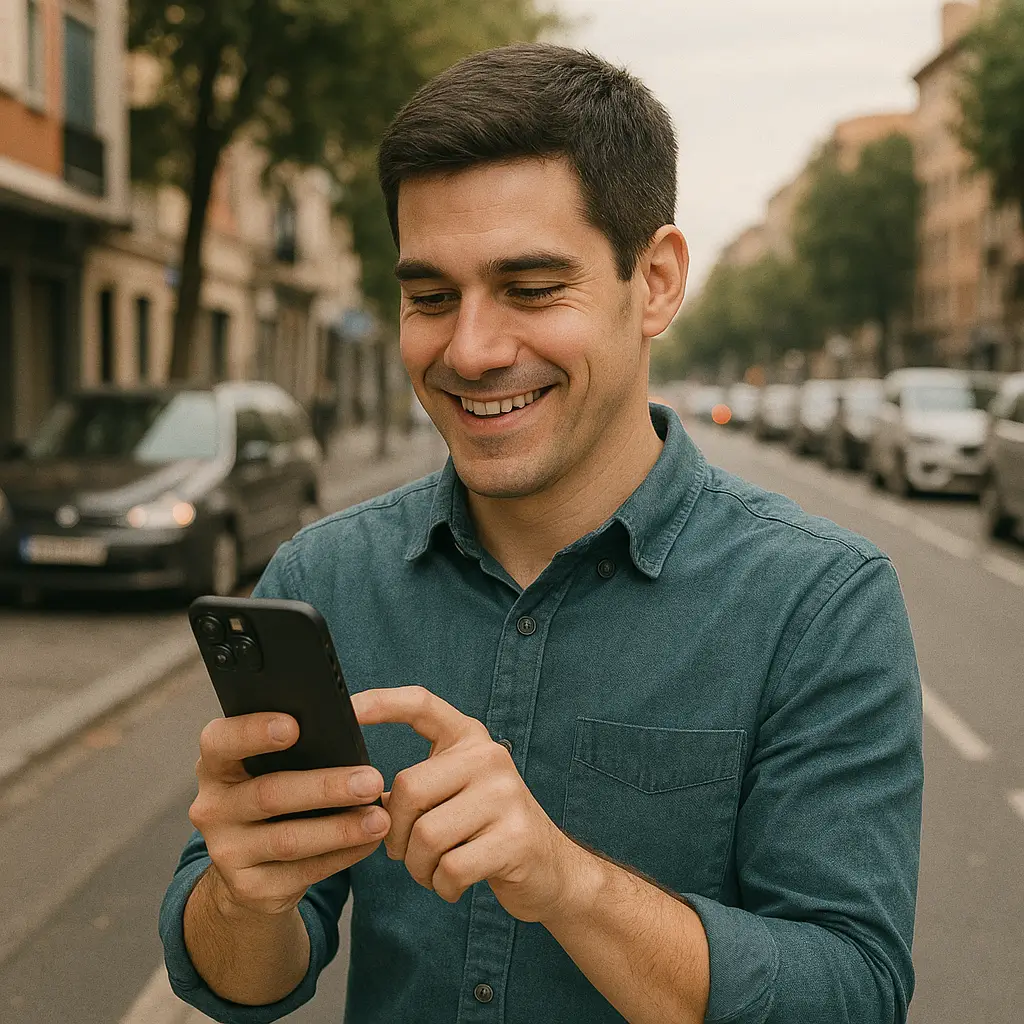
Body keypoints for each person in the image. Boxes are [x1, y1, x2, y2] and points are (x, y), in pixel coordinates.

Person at [160, 44, 923, 1024]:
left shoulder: (821, 602)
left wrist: (564, 880)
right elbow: (239, 980)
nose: (470, 350)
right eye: (431, 297)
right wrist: (242, 891)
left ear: (653, 282)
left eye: (529, 288)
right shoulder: (323, 577)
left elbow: (852, 994)